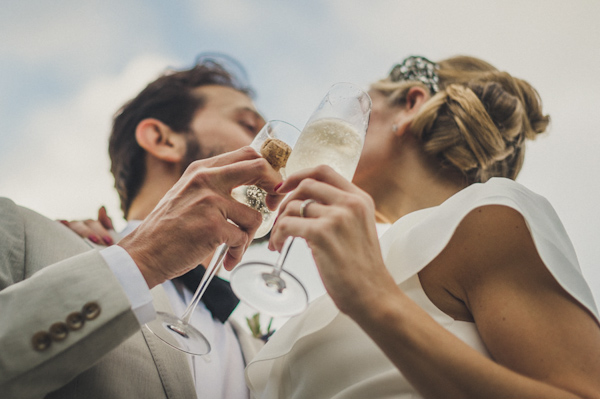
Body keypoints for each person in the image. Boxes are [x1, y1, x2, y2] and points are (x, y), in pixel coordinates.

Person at [243, 56, 600, 398]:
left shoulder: (489, 217)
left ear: (411, 104)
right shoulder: (378, 259)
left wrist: (374, 297)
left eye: (363, 114)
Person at [0, 56, 282, 399]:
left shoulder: (265, 358)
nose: (277, 152)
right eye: (249, 126)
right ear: (162, 139)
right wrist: (141, 260)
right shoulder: (20, 234)